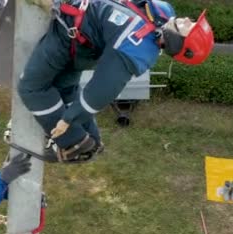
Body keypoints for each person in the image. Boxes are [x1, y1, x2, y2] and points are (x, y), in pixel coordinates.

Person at [17, 0, 215, 163]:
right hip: (80, 36)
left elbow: (101, 91)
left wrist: (67, 120)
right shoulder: (160, 12)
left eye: (188, 26)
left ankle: (74, 143)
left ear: (178, 41)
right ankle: (90, 140)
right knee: (65, 89)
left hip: (70, 37)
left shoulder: (136, 48)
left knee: (32, 89)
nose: (188, 19)